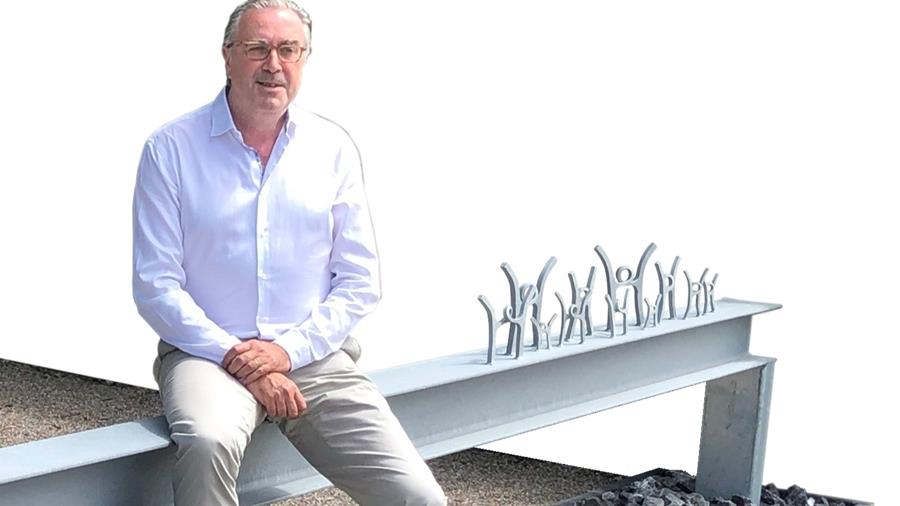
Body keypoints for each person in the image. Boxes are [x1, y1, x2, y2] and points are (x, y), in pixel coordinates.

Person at [132, 1, 447, 504]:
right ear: (227, 55)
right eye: (257, 48)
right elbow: (156, 287)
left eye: (289, 49)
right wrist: (241, 358)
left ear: (305, 58)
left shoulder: (331, 147)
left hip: (313, 356)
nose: (273, 64)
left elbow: (360, 281)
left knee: (418, 497)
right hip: (206, 355)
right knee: (208, 442)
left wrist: (285, 353)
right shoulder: (170, 149)